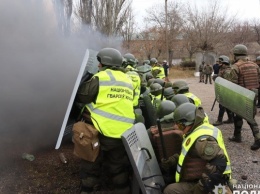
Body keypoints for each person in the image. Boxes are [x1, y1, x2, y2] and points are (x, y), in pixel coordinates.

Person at [76, 48, 135, 194]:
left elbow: (83, 96)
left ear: (105, 63)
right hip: (123, 132)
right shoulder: (127, 79)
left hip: (102, 129)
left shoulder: (101, 77)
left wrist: (82, 81)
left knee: (90, 165)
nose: (98, 66)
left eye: (100, 63)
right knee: (118, 168)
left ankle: (86, 190)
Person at [161, 103, 232, 194]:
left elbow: (219, 162)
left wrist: (202, 186)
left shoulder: (201, 139)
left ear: (191, 123)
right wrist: (174, 160)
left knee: (169, 191)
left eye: (181, 126)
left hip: (215, 184)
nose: (179, 129)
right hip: (212, 179)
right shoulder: (199, 128)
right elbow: (190, 153)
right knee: (170, 189)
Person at [229, 44, 260, 150]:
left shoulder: (236, 67)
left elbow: (232, 86)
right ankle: (237, 136)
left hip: (241, 95)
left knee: (248, 118)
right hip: (253, 94)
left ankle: (258, 138)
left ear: (236, 54)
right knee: (240, 116)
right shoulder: (255, 65)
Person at [213, 55, 234, 126]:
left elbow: (226, 82)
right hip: (223, 89)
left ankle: (219, 120)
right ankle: (231, 119)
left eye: (220, 62)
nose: (219, 63)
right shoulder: (222, 69)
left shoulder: (227, 71)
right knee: (227, 105)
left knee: (222, 105)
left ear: (225, 63)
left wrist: (217, 78)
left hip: (226, 91)